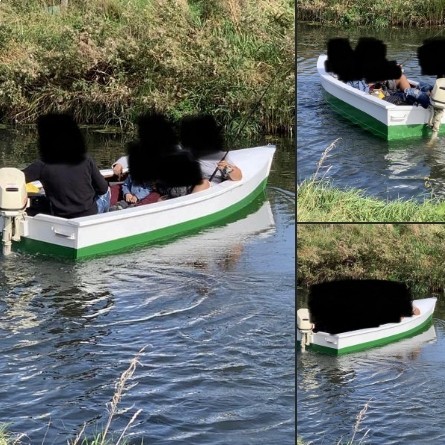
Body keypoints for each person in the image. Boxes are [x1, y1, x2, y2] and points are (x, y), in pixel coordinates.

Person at [23, 113, 110, 218]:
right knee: (107, 191)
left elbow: (16, 177)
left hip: (60, 215)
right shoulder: (85, 158)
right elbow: (103, 188)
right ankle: (102, 222)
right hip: (87, 214)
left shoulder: (42, 164)